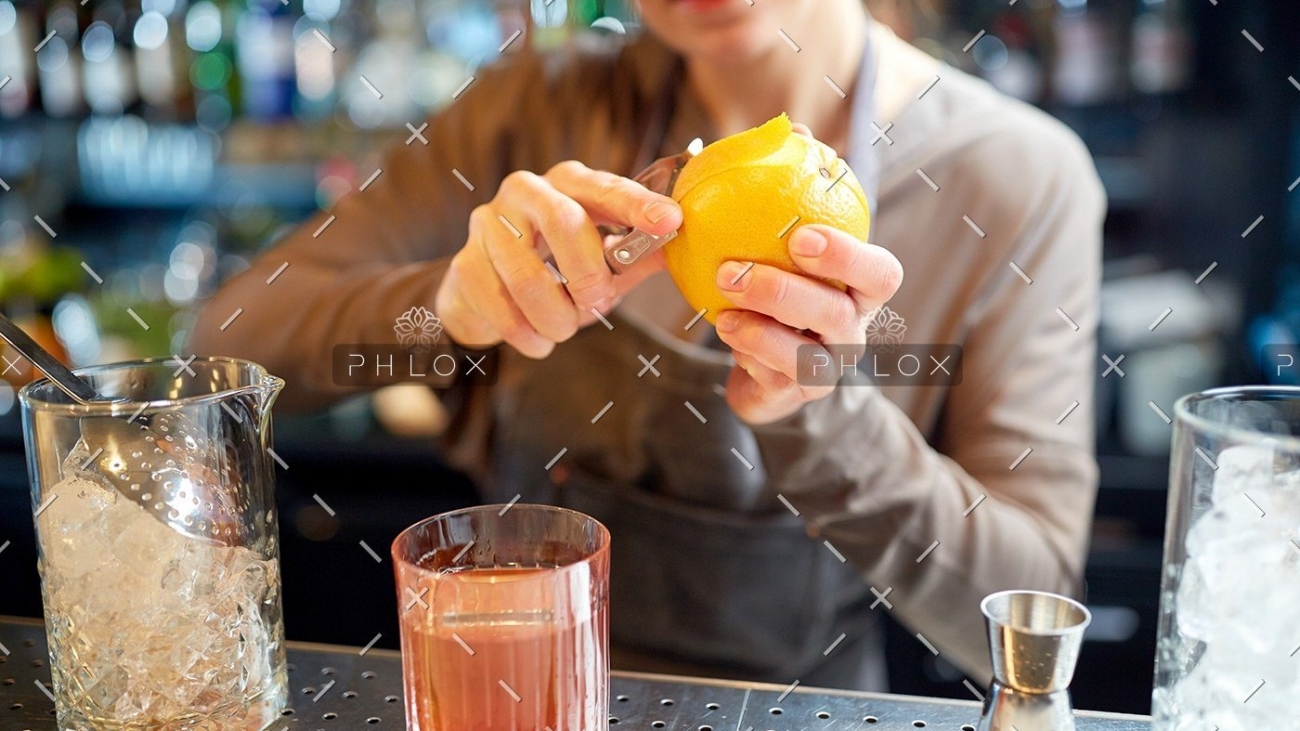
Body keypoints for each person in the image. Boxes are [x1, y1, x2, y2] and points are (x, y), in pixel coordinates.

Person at [192, 0, 1105, 690]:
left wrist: (825, 411)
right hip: (519, 690)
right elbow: (227, 345)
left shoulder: (1017, 179)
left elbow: (1025, 617)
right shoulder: (531, 108)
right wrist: (445, 307)